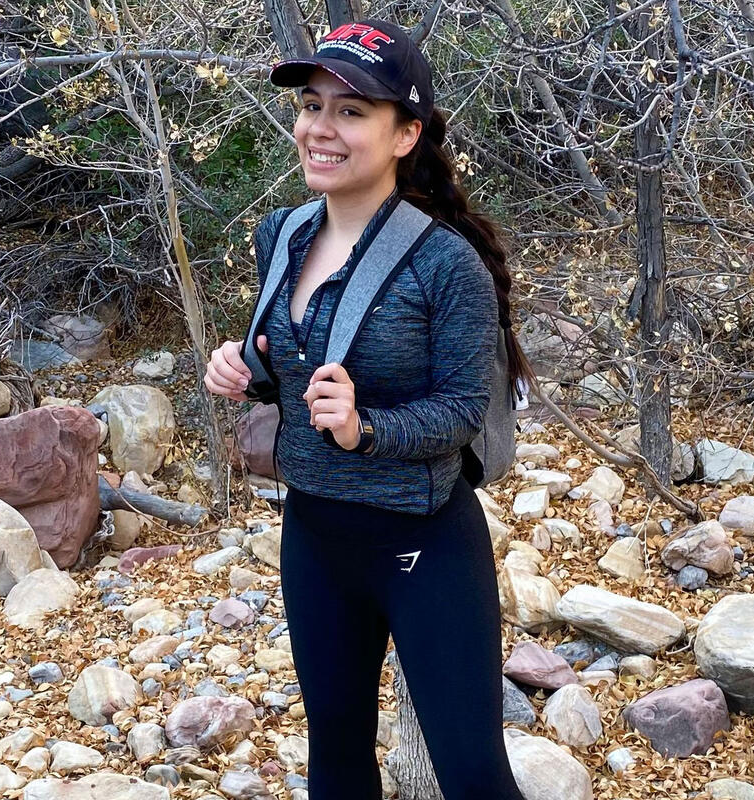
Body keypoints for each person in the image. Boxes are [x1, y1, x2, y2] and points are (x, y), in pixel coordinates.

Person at [204, 18, 534, 800]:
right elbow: (290, 371)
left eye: (352, 111)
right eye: (313, 105)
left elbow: (460, 412)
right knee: (338, 762)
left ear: (405, 134)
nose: (321, 127)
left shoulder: (444, 262)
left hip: (421, 544)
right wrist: (246, 371)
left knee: (474, 775)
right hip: (315, 534)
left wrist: (366, 428)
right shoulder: (280, 234)